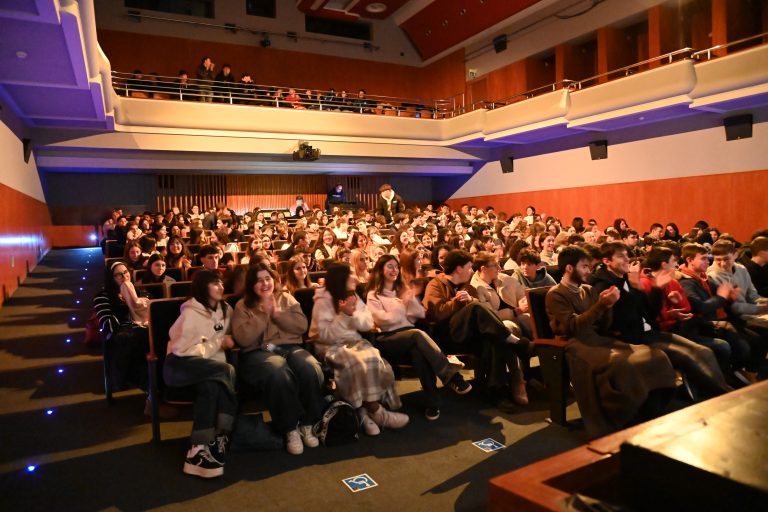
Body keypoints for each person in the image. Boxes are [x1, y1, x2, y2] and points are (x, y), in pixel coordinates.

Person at [545, 246, 677, 438]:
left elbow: (602, 325)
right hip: (576, 343)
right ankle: (622, 416)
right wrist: (601, 305)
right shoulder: (555, 294)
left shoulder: (588, 290)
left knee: (657, 356)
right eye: (584, 267)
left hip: (597, 338)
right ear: (569, 268)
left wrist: (608, 307)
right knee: (623, 364)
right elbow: (572, 327)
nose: (588, 271)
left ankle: (650, 410)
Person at [589, 242, 731, 399]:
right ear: (606, 261)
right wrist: (636, 288)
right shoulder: (602, 284)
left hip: (649, 332)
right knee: (689, 356)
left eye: (627, 255)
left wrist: (656, 289)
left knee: (703, 351)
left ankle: (722, 391)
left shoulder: (627, 279)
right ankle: (721, 396)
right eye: (621, 256)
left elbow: (649, 313)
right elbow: (621, 320)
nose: (627, 259)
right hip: (631, 339)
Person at [232, 264, 325, 454]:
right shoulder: (243, 305)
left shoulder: (286, 298)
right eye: (259, 280)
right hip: (258, 352)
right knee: (278, 371)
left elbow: (301, 326)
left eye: (267, 279)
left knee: (311, 367)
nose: (265, 283)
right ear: (251, 285)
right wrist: (264, 313)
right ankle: (290, 428)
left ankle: (308, 423)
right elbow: (243, 339)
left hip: (289, 347)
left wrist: (277, 314)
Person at [366, 255, 471, 419]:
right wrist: (402, 306)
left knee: (419, 352)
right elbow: (384, 321)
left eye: (396, 266)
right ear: (380, 270)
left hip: (410, 336)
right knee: (417, 335)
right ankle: (451, 375)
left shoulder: (402, 290)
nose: (394, 270)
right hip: (387, 339)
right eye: (390, 266)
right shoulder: (374, 294)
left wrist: (410, 300)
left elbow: (418, 314)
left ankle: (433, 402)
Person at [309, 263, 408, 436]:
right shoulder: (323, 300)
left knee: (371, 358)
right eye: (351, 275)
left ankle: (363, 412)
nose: (355, 278)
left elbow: (368, 323)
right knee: (353, 362)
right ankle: (376, 412)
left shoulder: (353, 296)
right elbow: (322, 335)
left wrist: (351, 313)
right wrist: (342, 315)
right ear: (341, 280)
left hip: (355, 342)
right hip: (331, 347)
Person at [422, 250, 526, 410]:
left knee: (493, 339)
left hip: (468, 334)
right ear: (458, 269)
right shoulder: (435, 284)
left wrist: (471, 299)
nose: (472, 271)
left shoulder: (468, 286)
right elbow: (435, 313)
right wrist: (457, 302)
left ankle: (496, 392)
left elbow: (482, 313)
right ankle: (509, 337)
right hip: (447, 335)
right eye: (469, 267)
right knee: (476, 307)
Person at [164, 270, 237, 478]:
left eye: (221, 283)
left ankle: (199, 446)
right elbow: (181, 350)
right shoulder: (190, 313)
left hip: (208, 368)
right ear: (203, 287)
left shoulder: (225, 309)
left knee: (211, 386)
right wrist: (218, 343)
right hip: (180, 366)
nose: (221, 287)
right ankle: (224, 429)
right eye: (215, 284)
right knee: (226, 371)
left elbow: (232, 333)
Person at [93, 262, 150, 395]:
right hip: (122, 334)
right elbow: (107, 324)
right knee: (136, 341)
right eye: (118, 275)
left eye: (125, 272)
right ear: (111, 278)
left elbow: (151, 313)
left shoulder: (139, 292)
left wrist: (136, 302)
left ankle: (156, 389)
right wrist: (125, 304)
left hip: (143, 330)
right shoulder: (102, 296)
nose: (124, 277)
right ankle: (150, 391)